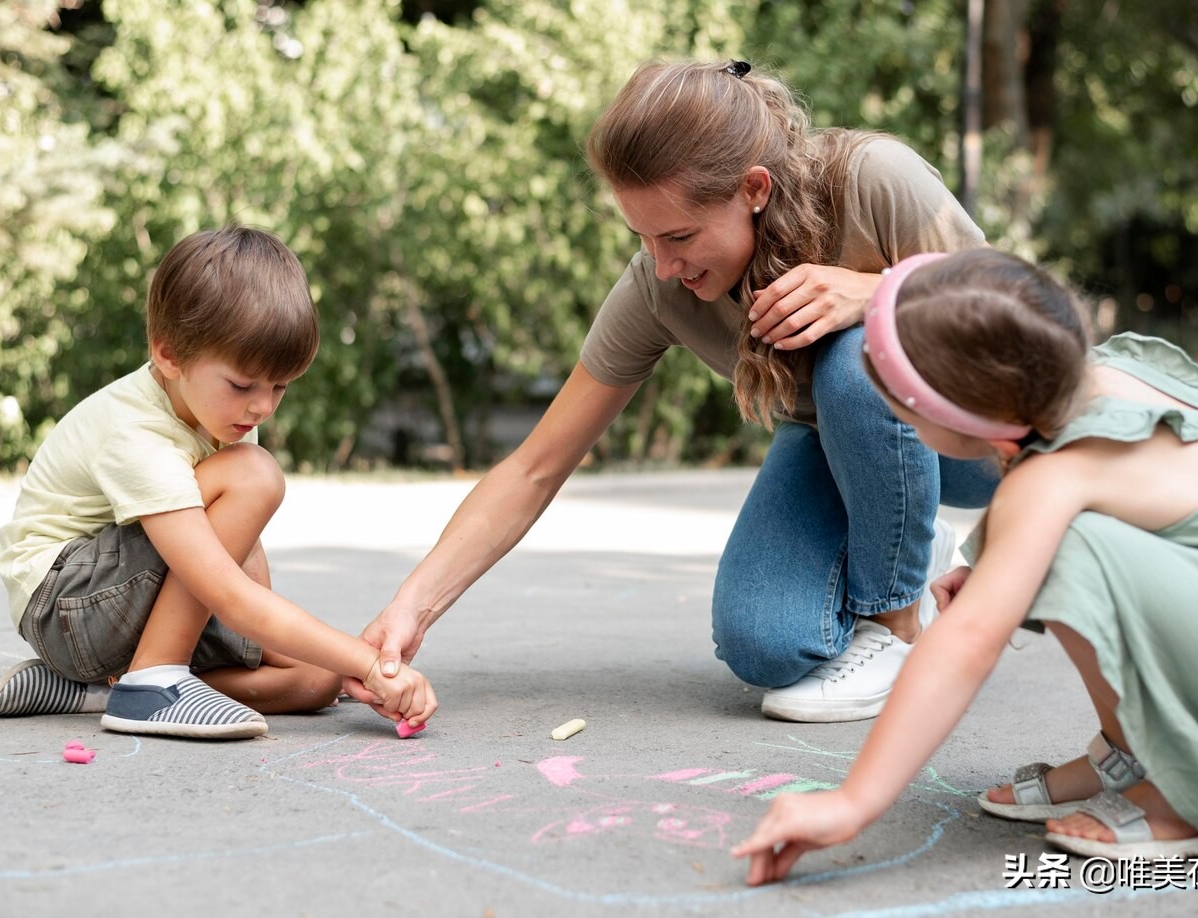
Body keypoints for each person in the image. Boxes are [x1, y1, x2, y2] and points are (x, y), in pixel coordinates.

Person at [346, 59, 999, 724]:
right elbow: (535, 467)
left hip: (980, 434)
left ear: (753, 188)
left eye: (680, 236)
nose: (663, 265)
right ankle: (905, 541)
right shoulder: (659, 289)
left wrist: (879, 292)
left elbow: (1014, 304)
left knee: (857, 359)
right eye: (644, 237)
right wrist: (410, 609)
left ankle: (894, 627)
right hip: (842, 444)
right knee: (763, 643)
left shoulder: (869, 178)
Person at [732, 249, 1198, 882]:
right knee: (1043, 542)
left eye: (904, 415)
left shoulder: (1050, 480)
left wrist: (851, 803)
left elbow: (966, 643)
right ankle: (1132, 753)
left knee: (1066, 545)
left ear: (970, 423)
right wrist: (995, 564)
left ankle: (1193, 799)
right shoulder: (1110, 373)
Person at [0, 226, 437, 739]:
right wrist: (371, 662)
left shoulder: (209, 410)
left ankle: (100, 689)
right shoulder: (138, 433)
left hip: (110, 602)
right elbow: (227, 590)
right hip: (63, 602)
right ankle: (152, 681)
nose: (263, 405)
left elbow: (237, 557)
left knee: (314, 679)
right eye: (243, 385)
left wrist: (339, 666)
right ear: (169, 355)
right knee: (254, 473)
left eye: (280, 386)